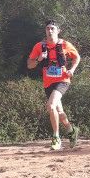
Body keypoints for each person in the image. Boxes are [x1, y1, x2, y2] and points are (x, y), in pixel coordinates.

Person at [27, 19, 80, 150]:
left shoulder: (65, 44)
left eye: (52, 29)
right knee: (58, 111)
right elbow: (29, 64)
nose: (50, 31)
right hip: (48, 82)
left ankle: (56, 137)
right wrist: (39, 59)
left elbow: (77, 57)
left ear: (58, 31)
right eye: (47, 29)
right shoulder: (39, 46)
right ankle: (72, 131)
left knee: (50, 106)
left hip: (62, 80)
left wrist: (71, 70)